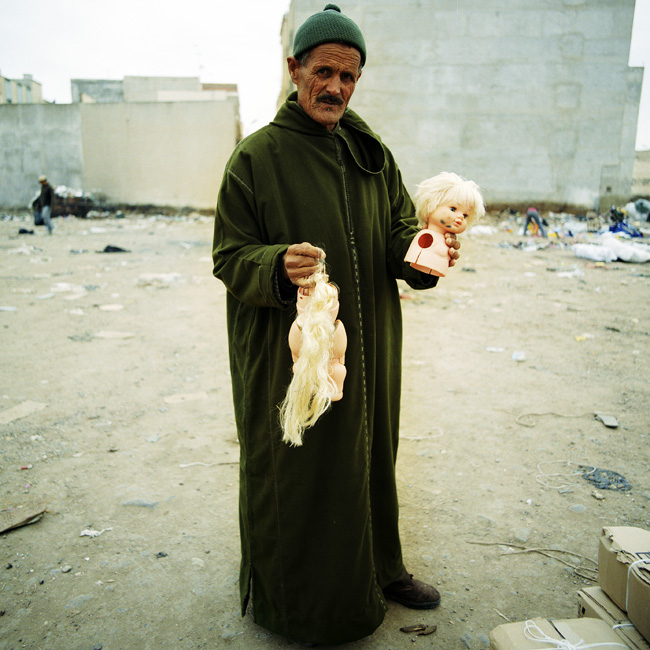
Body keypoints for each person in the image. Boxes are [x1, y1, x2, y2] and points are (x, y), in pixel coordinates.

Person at [212, 5, 460, 645]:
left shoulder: (370, 153)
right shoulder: (256, 160)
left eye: (349, 77)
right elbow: (229, 257)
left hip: (370, 346)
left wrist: (424, 251)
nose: (336, 88)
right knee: (302, 467)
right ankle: (297, 602)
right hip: (293, 351)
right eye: (323, 72)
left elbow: (399, 231)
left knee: (372, 454)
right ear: (294, 69)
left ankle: (381, 569)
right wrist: (275, 264)